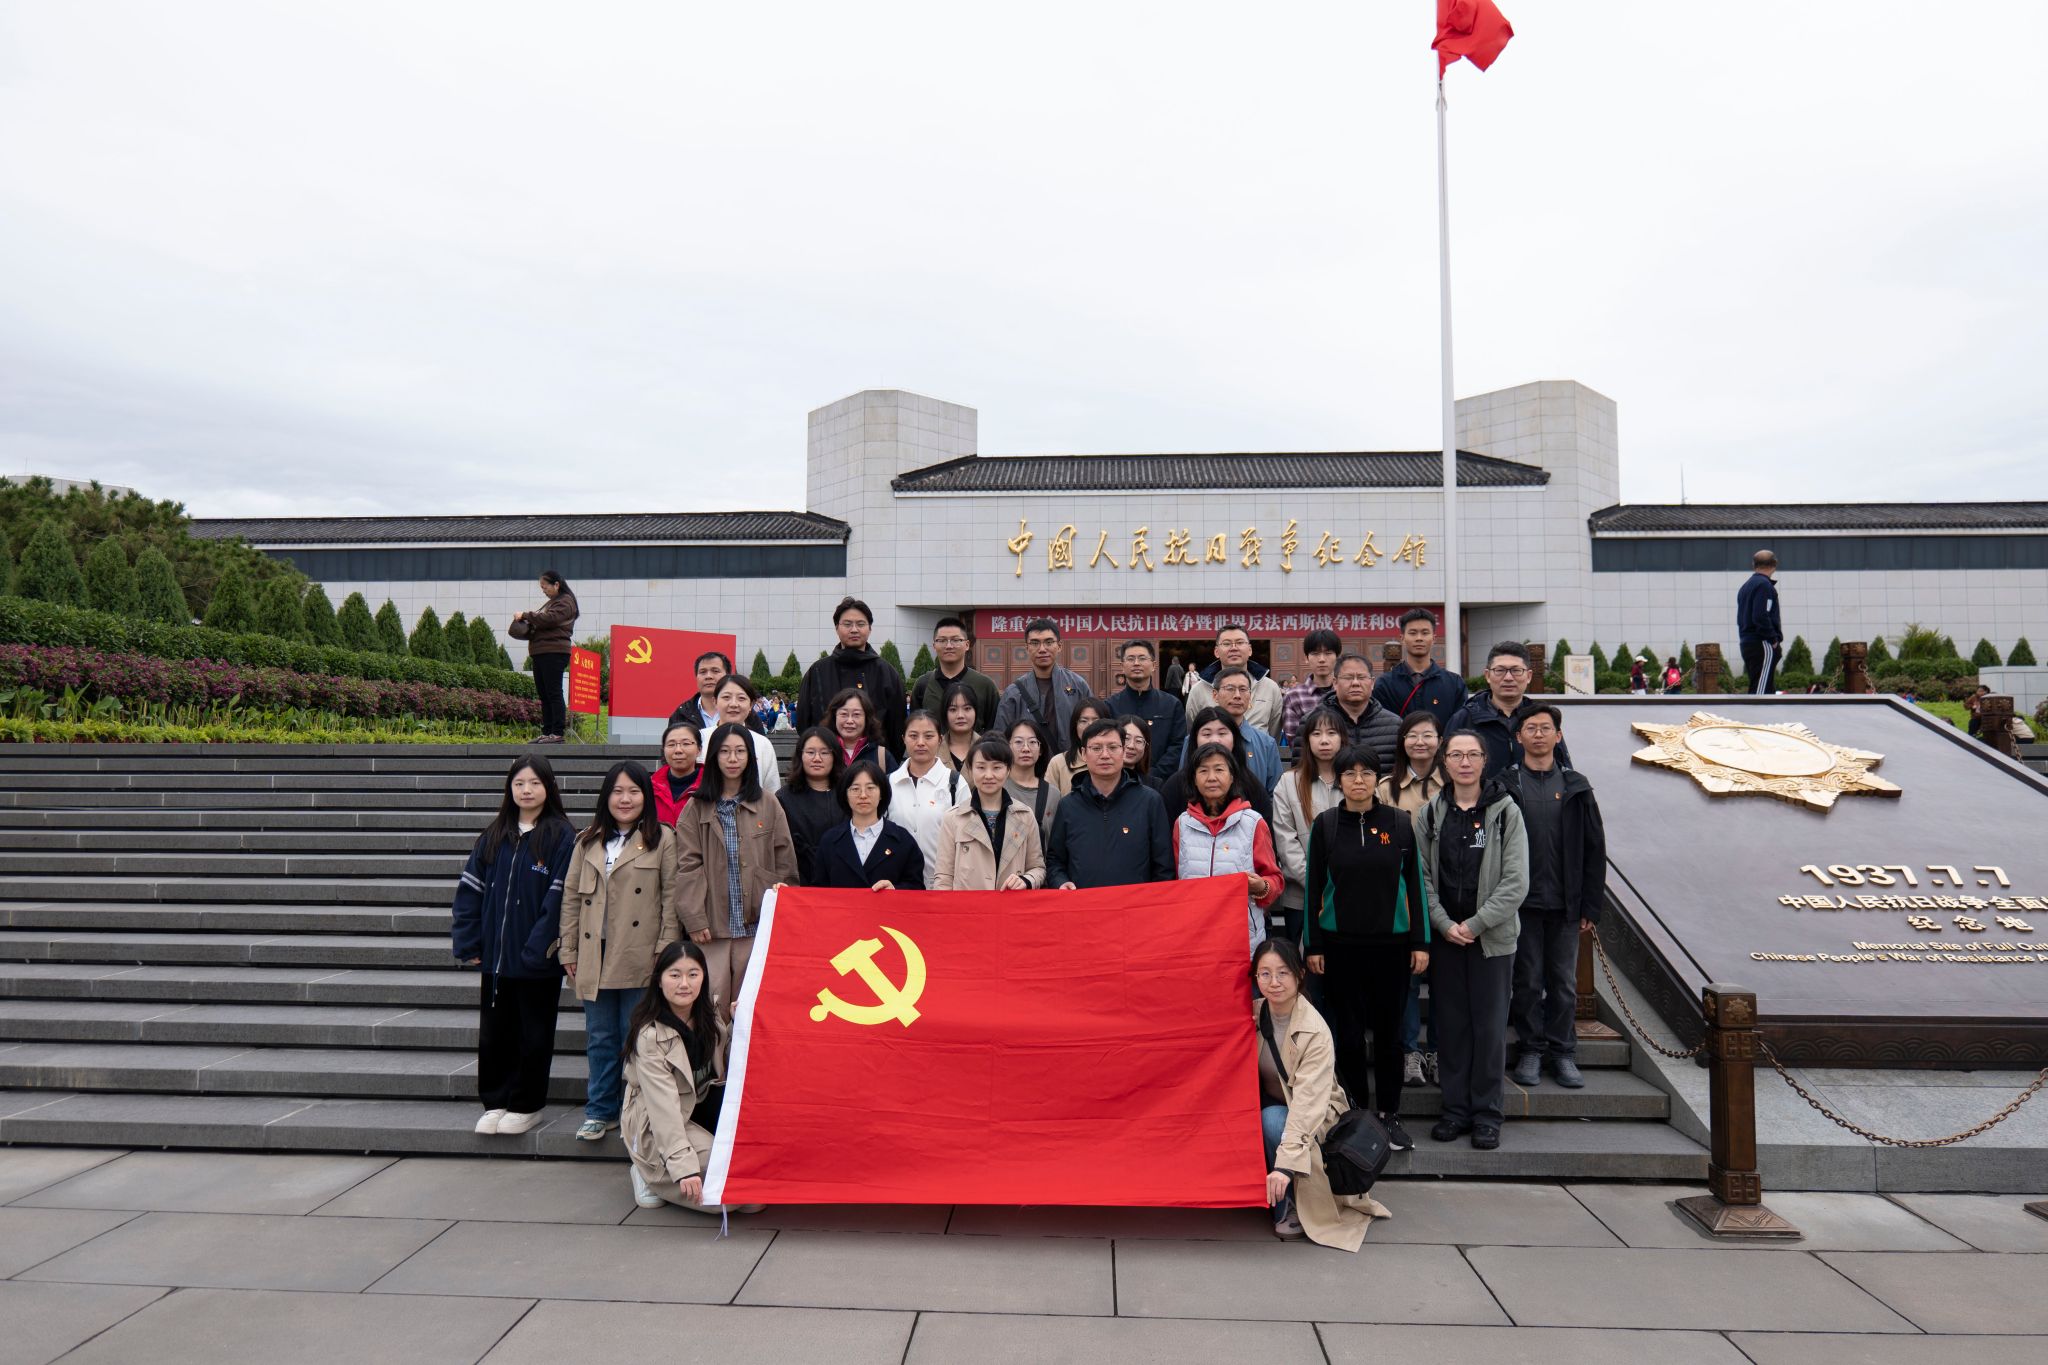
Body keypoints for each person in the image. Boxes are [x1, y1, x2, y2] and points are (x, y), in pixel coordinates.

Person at [1301, 743, 1429, 1152]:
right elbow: (1313, 889)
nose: (1359, 780)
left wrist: (1420, 941)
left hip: (1391, 947)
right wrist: (1313, 945)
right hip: (1340, 948)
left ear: (1378, 779)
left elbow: (1415, 887)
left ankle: (1389, 1114)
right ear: (1338, 780)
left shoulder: (1399, 823)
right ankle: (1357, 1113)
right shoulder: (1326, 826)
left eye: (1367, 773)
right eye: (1350, 773)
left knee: (1390, 1035)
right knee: (1350, 1036)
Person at [451, 754, 576, 1136]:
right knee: (494, 1033)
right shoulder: (495, 834)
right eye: (519, 783)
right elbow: (469, 892)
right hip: (496, 958)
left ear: (548, 788)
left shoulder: (561, 836)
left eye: (535, 783)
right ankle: (496, 1102)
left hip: (537, 961)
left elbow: (559, 900)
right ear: (510, 788)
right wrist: (469, 941)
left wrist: (538, 949)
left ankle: (526, 1105)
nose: (526, 790)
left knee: (533, 1035)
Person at [1417, 730, 1529, 1151]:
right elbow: (1422, 878)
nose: (1464, 762)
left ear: (1485, 760)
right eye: (1456, 755)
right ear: (1444, 762)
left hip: (1491, 941)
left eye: (1472, 755)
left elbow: (1516, 881)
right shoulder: (1430, 814)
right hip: (1446, 938)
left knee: (1489, 1029)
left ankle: (1486, 1114)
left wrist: (1476, 924)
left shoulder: (1506, 811)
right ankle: (1455, 1110)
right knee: (1452, 1028)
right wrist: (1444, 923)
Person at [1253, 937, 1391, 1250]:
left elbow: (1306, 1105)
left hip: (1314, 1118)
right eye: (1265, 973)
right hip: (1275, 1103)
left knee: (1272, 1120)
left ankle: (1290, 1204)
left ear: (1300, 974)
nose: (1274, 982)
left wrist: (1285, 1166)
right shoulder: (1255, 1014)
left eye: (1283, 973)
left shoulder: (1314, 1030)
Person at [562, 761, 672, 1142]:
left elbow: (671, 897)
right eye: (617, 792)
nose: (625, 799)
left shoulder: (662, 839)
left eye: (634, 791)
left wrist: (665, 948)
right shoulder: (587, 840)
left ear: (646, 796)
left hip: (640, 951)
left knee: (637, 1036)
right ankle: (600, 1110)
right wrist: (568, 948)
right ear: (606, 797)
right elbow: (571, 898)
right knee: (600, 1037)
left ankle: (636, 1113)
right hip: (594, 951)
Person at [1501, 706, 1607, 1091]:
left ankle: (1563, 1052)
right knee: (1527, 981)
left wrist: (1590, 905)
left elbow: (1594, 848)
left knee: (1563, 983)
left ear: (1558, 736)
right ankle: (1531, 1048)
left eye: (1546, 728)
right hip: (1522, 904)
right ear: (1519, 737)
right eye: (1531, 728)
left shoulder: (1577, 786)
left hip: (1566, 903)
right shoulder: (1505, 785)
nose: (1539, 734)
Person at [619, 941, 761, 1216]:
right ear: (659, 981)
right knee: (729, 1200)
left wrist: (738, 1023)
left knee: (752, 1194)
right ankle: (646, 1171)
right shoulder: (649, 1036)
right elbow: (663, 1109)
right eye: (675, 975)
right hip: (658, 1119)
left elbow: (729, 1064)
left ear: (703, 977)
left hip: (700, 1102)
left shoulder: (707, 1014)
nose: (684, 984)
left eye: (693, 974)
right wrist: (683, 1168)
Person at [670, 722, 799, 1018]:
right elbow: (687, 865)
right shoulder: (696, 807)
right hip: (712, 928)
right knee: (711, 1007)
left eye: (740, 751)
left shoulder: (768, 804)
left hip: (756, 928)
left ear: (750, 758)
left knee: (750, 1009)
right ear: (713, 756)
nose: (732, 759)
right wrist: (694, 917)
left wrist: (782, 908)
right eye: (725, 751)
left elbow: (785, 861)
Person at [1378, 709, 1444, 1086]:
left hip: (1446, 894)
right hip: (1401, 894)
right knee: (1408, 979)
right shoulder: (1386, 788)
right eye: (1412, 735)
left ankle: (1437, 1049)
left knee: (1444, 980)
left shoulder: (1453, 782)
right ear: (1402, 742)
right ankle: (1408, 1051)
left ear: (1439, 741)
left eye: (1428, 735)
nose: (1420, 742)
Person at [1173, 742, 1284, 956]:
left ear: (1232, 776)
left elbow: (1275, 880)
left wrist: (1260, 887)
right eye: (1203, 771)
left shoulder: (1253, 823)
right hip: (1194, 935)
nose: (1211, 777)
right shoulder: (1182, 824)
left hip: (1242, 937)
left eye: (1219, 769)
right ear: (1193, 779)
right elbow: (1176, 881)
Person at [1045, 719, 1175, 889]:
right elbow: (1055, 861)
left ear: (1123, 750)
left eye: (1113, 747)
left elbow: (1164, 867)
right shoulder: (1068, 805)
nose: (1105, 755)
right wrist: (1061, 882)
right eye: (1096, 748)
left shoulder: (1150, 801)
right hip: (1083, 903)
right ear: (1083, 753)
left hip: (1136, 903)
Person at [1445, 641, 1573, 779]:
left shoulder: (1542, 719)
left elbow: (1564, 770)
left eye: (1516, 670)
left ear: (1528, 676)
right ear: (1487, 675)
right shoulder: (1464, 719)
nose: (1508, 678)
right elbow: (1445, 770)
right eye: (1500, 670)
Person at [933, 737, 1046, 891]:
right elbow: (943, 878)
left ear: (1008, 770)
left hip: (1011, 903)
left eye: (997, 767)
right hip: (967, 905)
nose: (988, 775)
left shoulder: (1025, 815)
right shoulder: (953, 818)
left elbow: (1037, 868)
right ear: (970, 770)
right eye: (981, 767)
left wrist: (1026, 880)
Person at [1272, 707, 1346, 943]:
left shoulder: (1354, 781)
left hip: (1347, 894)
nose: (1324, 740)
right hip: (1300, 896)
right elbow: (1285, 841)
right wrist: (1317, 883)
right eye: (1316, 734)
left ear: (1342, 739)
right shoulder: (1289, 782)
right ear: (1306, 740)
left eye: (1331, 733)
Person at [797, 596, 908, 751]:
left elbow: (897, 728)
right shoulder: (817, 672)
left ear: (870, 628)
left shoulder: (886, 673)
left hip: (874, 761)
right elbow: (804, 723)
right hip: (827, 758)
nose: (854, 629)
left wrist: (885, 760)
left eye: (860, 624)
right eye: (847, 624)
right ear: (837, 628)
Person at [813, 759, 927, 890]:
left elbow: (916, 887)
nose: (863, 795)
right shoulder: (830, 841)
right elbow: (818, 891)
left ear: (881, 793)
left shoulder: (902, 840)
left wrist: (895, 890)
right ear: (845, 795)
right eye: (855, 789)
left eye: (870, 788)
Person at [1161, 707, 1276, 826]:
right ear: (1195, 739)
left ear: (1234, 738)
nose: (1215, 740)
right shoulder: (1176, 786)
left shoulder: (1251, 785)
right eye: (1206, 734)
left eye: (1222, 733)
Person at [992, 618, 1095, 744]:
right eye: (1035, 643)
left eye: (1049, 642)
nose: (1042, 649)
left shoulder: (1078, 686)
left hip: (1069, 756)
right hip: (1027, 756)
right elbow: (1000, 739)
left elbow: (1094, 729)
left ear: (1059, 646)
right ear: (1027, 648)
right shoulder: (1014, 692)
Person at [1183, 667, 1283, 791]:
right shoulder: (1194, 740)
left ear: (1250, 696)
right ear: (1215, 695)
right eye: (1230, 689)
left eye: (1243, 689)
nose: (1237, 696)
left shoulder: (1266, 744)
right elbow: (1184, 787)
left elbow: (1275, 794)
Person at [508, 570, 578, 744]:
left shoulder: (566, 601)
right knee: (544, 695)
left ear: (557, 585)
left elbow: (550, 619)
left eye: (545, 587)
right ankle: (547, 732)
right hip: (541, 652)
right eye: (542, 587)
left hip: (554, 652)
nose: (543, 590)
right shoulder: (553, 602)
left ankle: (557, 733)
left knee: (553, 692)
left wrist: (526, 615)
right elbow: (544, 619)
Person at [889, 710, 964, 870]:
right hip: (896, 879)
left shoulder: (955, 783)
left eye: (929, 736)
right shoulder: (889, 783)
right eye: (913, 736)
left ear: (940, 739)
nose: (921, 743)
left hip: (942, 879)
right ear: (903, 739)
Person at [1184, 624, 1285, 738]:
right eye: (1226, 644)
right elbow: (1192, 733)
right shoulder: (1198, 690)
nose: (1233, 648)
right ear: (1216, 651)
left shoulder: (1270, 688)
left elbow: (1273, 735)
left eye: (1240, 642)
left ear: (1250, 650)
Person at [1372, 610, 1465, 727]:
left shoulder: (1454, 683)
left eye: (1425, 633)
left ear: (1434, 638)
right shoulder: (1385, 684)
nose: (1419, 638)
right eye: (1413, 633)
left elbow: (1460, 725)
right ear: (1402, 638)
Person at [1107, 639, 1186, 777]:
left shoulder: (1172, 705)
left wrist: (1154, 776)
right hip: (1118, 780)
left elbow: (1178, 745)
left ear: (1153, 665)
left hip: (1161, 781)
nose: (1136, 663)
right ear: (1122, 666)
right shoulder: (1110, 705)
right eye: (1130, 659)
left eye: (1142, 658)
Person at [777, 727, 845, 885]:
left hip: (843, 881)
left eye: (825, 753)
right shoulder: (783, 798)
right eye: (810, 752)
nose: (817, 758)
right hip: (799, 882)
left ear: (835, 756)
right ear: (800, 755)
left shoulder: (847, 794)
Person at [907, 616, 999, 729]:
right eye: (942, 640)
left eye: (956, 640)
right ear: (934, 646)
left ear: (967, 645)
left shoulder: (985, 685)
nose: (949, 646)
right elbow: (915, 727)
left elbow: (994, 731)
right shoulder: (923, 684)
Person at [699, 674, 781, 796]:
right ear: (715, 701)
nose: (733, 704)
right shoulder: (700, 738)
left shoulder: (762, 743)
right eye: (726, 697)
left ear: (751, 705)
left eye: (741, 698)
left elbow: (772, 792)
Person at [1322, 653, 1402, 769]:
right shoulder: (1313, 722)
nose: (1355, 683)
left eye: (1361, 677)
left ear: (1372, 683)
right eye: (1348, 678)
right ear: (1335, 683)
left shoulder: (1394, 725)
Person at [669, 651, 766, 735]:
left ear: (728, 675)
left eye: (715, 671)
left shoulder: (748, 716)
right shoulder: (682, 714)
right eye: (703, 672)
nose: (708, 676)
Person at [1279, 628, 1343, 747]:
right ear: (1306, 658)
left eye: (1328, 653)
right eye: (1315, 653)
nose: (1322, 659)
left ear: (1337, 657)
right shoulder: (1294, 696)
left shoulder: (1346, 692)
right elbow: (1294, 741)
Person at [1045, 698, 1113, 796]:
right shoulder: (1058, 763)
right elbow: (1049, 802)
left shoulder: (1116, 759)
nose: (1089, 726)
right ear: (1075, 726)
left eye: (1096, 721)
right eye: (1083, 721)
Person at [1737, 549, 1783, 695]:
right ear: (1774, 565)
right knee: (1761, 692)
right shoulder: (1764, 585)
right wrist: (1773, 639)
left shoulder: (1746, 586)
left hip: (1748, 641)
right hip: (1762, 642)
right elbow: (1761, 616)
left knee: (1761, 686)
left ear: (1754, 565)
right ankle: (1758, 712)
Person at [1003, 717, 1061, 830]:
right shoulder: (997, 788)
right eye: (1018, 742)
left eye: (1032, 742)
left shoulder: (1053, 794)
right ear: (1007, 747)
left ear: (1041, 750)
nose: (1026, 748)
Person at [826, 687, 893, 773]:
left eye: (856, 714)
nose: (850, 721)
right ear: (834, 716)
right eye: (844, 714)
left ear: (867, 718)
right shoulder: (822, 752)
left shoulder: (882, 756)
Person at [651, 721, 703, 830]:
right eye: (671, 745)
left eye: (686, 744)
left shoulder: (712, 786)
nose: (678, 750)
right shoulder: (650, 788)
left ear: (699, 750)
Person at [937, 680, 983, 773]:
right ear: (945, 713)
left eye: (967, 708)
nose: (960, 715)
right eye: (953, 709)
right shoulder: (934, 750)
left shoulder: (989, 749)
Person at [1118, 716, 1165, 791]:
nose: (1131, 746)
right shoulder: (1101, 779)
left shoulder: (1154, 785)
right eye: (1126, 739)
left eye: (1138, 741)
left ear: (1146, 747)